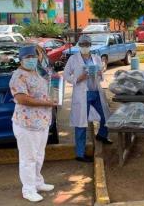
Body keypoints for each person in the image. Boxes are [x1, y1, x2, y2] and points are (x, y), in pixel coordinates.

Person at [9, 45, 57, 202]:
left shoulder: (36, 72)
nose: (31, 60)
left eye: (33, 57)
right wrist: (45, 103)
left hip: (41, 122)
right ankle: (28, 190)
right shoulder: (18, 76)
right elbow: (22, 98)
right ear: (21, 60)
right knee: (28, 158)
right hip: (26, 123)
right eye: (28, 58)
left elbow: (46, 88)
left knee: (38, 156)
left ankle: (37, 182)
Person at [64, 34, 112, 163]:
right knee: (81, 124)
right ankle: (80, 153)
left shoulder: (96, 58)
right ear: (79, 46)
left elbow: (101, 76)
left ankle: (102, 135)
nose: (85, 47)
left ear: (91, 45)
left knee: (105, 115)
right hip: (82, 94)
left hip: (95, 91)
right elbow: (66, 75)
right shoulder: (73, 59)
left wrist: (100, 73)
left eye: (87, 45)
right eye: (82, 45)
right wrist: (78, 79)